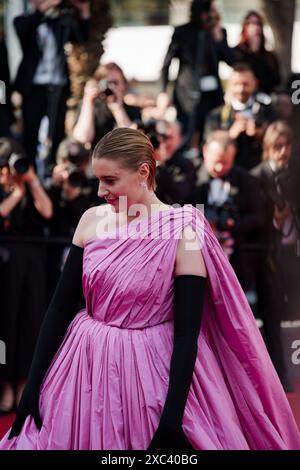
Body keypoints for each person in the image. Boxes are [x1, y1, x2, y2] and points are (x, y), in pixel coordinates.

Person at [0, 128, 299, 450]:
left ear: (143, 171)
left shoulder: (182, 230)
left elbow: (187, 333)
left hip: (153, 372)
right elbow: (59, 307)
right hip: (84, 366)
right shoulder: (90, 220)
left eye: (110, 180)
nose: (100, 190)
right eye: (97, 179)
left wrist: (172, 418)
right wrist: (33, 385)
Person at [13, 0, 91, 165]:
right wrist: (46, 6)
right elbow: (24, 29)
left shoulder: (60, 22)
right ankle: (29, 173)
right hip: (34, 88)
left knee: (57, 134)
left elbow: (81, 37)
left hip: (58, 86)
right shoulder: (22, 21)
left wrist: (83, 10)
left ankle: (54, 172)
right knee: (31, 135)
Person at [158, 0, 235, 143]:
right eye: (211, 10)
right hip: (187, 96)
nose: (214, 14)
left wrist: (218, 37)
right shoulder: (182, 32)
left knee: (211, 136)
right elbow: (166, 64)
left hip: (212, 97)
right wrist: (163, 92)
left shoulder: (218, 32)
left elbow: (232, 61)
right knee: (186, 137)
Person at [204, 63, 276, 171]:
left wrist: (260, 134)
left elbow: (279, 141)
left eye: (245, 84)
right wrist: (230, 135)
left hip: (260, 171)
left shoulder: (267, 111)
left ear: (255, 83)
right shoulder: (217, 115)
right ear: (230, 85)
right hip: (229, 173)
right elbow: (208, 146)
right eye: (236, 84)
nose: (241, 89)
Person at [73, 62, 141, 148]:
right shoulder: (91, 107)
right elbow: (83, 138)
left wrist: (118, 109)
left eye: (115, 83)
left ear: (124, 85)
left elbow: (132, 143)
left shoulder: (133, 110)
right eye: (107, 83)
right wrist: (88, 100)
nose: (111, 87)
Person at [233, 11, 281, 94]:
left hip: (265, 97)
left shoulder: (269, 56)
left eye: (258, 24)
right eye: (251, 23)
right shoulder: (237, 52)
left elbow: (276, 80)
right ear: (245, 27)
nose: (255, 27)